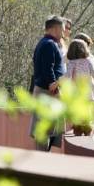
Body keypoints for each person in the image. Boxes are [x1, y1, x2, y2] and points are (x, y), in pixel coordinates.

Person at [30, 16, 66, 151]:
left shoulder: (45, 42)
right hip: (47, 92)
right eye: (62, 29)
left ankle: (44, 157)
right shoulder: (48, 44)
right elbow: (48, 68)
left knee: (49, 129)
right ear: (55, 29)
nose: (63, 33)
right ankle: (42, 161)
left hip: (47, 91)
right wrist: (53, 86)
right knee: (44, 129)